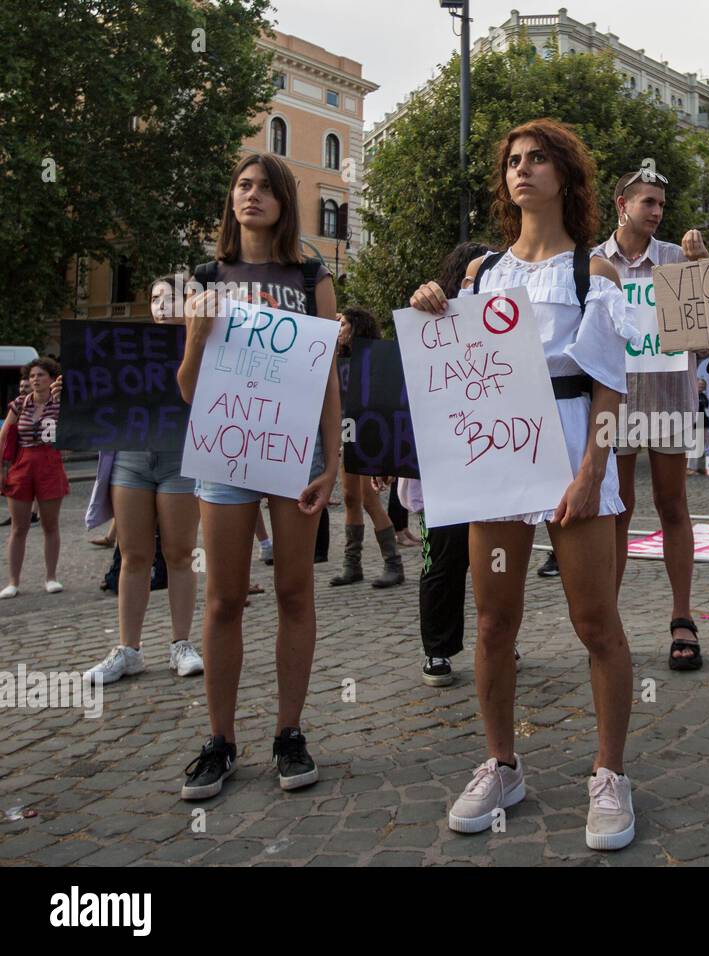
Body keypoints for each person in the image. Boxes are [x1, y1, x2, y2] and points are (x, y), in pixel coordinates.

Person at [409, 119, 636, 850]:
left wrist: (594, 469)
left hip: (571, 449)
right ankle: (502, 763)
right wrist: (430, 308)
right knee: (492, 621)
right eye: (513, 160)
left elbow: (610, 389)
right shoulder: (480, 275)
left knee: (595, 621)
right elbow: (458, 367)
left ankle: (610, 772)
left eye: (539, 159)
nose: (523, 169)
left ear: (566, 177)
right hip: (499, 457)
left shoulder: (592, 274)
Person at [175, 152, 340, 800]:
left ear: (284, 202)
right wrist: (197, 335)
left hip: (292, 453)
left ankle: (289, 733)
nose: (252, 195)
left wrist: (335, 462)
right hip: (225, 452)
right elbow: (191, 387)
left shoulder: (310, 275)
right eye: (243, 185)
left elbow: (328, 377)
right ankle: (219, 741)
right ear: (231, 198)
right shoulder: (207, 277)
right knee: (224, 597)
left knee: (296, 593)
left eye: (266, 188)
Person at [595, 167, 709, 670]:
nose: (657, 211)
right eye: (648, 202)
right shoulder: (594, 262)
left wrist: (703, 273)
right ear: (622, 204)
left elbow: (706, 335)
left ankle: (682, 617)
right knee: (615, 512)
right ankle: (607, 622)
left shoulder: (677, 261)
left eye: (661, 203)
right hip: (614, 400)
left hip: (669, 394)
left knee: (673, 506)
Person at [83, 275, 203, 684]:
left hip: (180, 459)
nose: (160, 305)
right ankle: (128, 649)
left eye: (170, 298)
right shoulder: (124, 349)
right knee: (133, 556)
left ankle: (181, 644)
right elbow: (102, 400)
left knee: (180, 554)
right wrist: (78, 393)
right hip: (131, 459)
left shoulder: (203, 344)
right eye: (154, 298)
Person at [408, 239, 490, 687]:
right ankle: (438, 648)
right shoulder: (432, 317)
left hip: (498, 454)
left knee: (497, 557)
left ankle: (499, 637)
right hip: (446, 461)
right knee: (442, 557)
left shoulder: (504, 319)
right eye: (471, 277)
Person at [330, 305, 405, 589]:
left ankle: (393, 563)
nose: (339, 330)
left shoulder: (374, 357)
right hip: (346, 431)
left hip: (368, 430)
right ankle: (352, 565)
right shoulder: (335, 359)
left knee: (369, 499)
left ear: (357, 327)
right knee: (350, 497)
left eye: (344, 324)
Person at [1, 358, 69, 598]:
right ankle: (13, 581)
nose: (35, 379)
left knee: (50, 524)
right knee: (19, 527)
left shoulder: (60, 404)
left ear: (52, 379)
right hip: (23, 463)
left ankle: (51, 577)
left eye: (40, 375)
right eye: (31, 376)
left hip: (50, 462)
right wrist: (2, 469)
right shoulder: (20, 404)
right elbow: (5, 435)